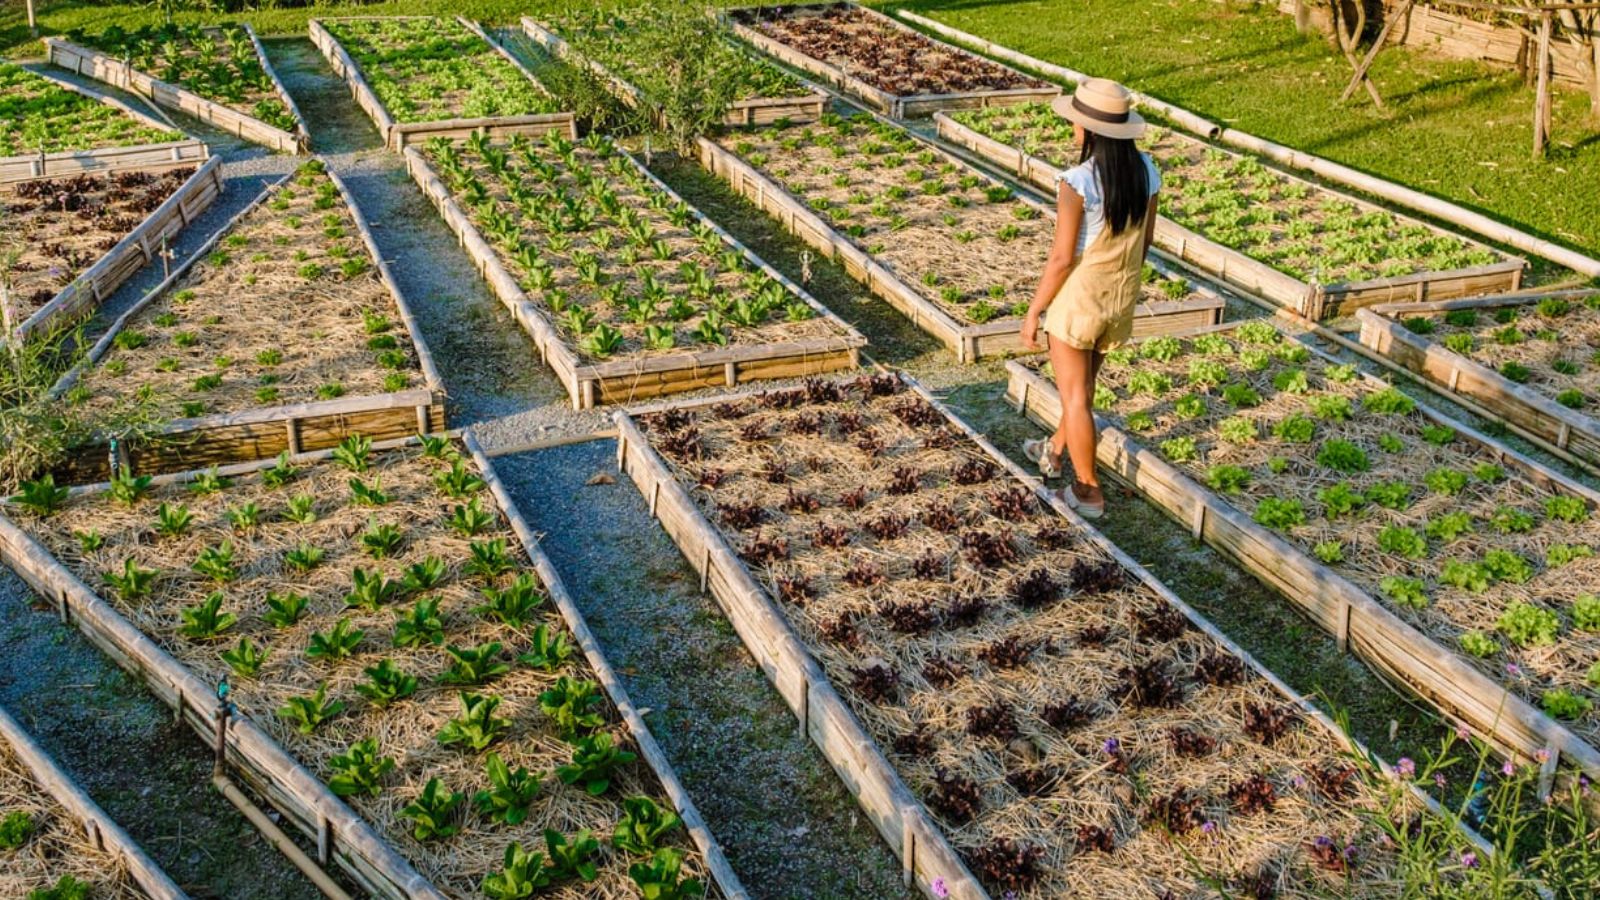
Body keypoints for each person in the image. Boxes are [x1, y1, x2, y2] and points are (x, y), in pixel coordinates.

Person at [1019, 78, 1161, 519]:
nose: (1072, 130)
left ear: (1091, 131)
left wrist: (1034, 310)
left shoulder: (1078, 181)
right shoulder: (1146, 171)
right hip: (1118, 297)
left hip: (1079, 298)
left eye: (1076, 124)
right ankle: (1054, 450)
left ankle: (1087, 492)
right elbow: (1147, 240)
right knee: (1081, 389)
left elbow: (1062, 258)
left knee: (1076, 398)